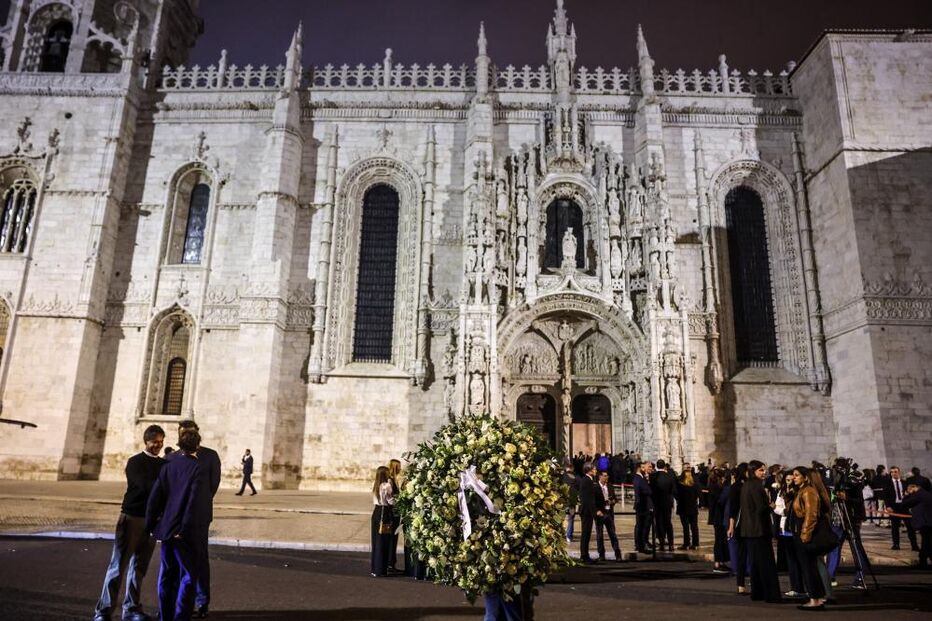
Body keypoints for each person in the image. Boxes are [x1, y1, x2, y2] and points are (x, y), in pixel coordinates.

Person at [94, 425, 166, 621]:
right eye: (155, 442)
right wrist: (161, 487)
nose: (158, 445)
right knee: (118, 565)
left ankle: (132, 608)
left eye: (161, 441)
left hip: (151, 521)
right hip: (132, 517)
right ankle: (103, 610)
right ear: (146, 441)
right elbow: (142, 485)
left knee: (139, 568)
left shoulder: (163, 464)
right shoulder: (135, 462)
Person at [146, 429, 210, 621]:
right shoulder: (198, 468)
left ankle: (165, 616)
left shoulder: (167, 465)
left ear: (179, 445)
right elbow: (193, 503)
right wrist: (182, 529)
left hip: (166, 530)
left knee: (167, 575)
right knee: (188, 576)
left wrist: (151, 525)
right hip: (184, 532)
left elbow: (155, 497)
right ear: (197, 446)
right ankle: (181, 617)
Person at [167, 421, 221, 619]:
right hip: (174, 519)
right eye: (184, 433)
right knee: (174, 562)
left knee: (199, 559)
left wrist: (199, 504)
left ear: (198, 434)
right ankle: (177, 603)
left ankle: (202, 601)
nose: (187, 436)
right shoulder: (170, 457)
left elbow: (212, 486)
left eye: (191, 433)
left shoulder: (210, 456)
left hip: (199, 518)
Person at [740, 460, 782, 603]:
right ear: (753, 471)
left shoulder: (746, 485)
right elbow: (760, 509)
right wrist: (771, 506)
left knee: (755, 563)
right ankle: (771, 595)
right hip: (759, 530)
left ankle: (757, 593)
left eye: (764, 470)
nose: (764, 473)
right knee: (766, 563)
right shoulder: (757, 487)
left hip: (749, 530)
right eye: (761, 470)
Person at [791, 466, 828, 610]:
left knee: (808, 567)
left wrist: (805, 536)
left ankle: (815, 599)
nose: (794, 477)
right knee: (809, 566)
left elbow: (811, 515)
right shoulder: (802, 490)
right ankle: (817, 597)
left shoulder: (808, 491)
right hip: (802, 530)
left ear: (805, 477)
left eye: (796, 475)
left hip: (805, 531)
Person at [884, 466, 919, 551]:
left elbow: (911, 494)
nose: (893, 473)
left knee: (910, 527)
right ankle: (896, 545)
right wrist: (888, 506)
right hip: (894, 507)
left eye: (895, 472)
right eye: (892, 472)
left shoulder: (905, 482)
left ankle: (914, 546)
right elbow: (886, 496)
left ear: (899, 472)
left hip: (904, 506)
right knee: (895, 527)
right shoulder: (887, 483)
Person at [370, 465, 395, 577]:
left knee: (376, 541)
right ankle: (381, 569)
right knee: (384, 542)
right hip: (384, 513)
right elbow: (391, 501)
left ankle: (375, 568)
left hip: (376, 513)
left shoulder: (376, 485)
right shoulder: (386, 486)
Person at [902, 482, 932, 569]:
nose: (910, 492)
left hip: (925, 523)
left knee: (926, 542)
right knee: (927, 542)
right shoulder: (925, 493)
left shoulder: (919, 495)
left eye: (909, 490)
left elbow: (906, 503)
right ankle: (923, 560)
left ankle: (923, 561)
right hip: (928, 522)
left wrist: (906, 495)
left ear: (913, 488)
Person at [594, 470, 623, 561]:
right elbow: (593, 501)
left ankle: (618, 554)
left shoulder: (610, 486)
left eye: (607, 476)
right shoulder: (595, 487)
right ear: (600, 477)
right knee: (600, 535)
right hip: (600, 513)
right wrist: (597, 510)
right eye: (605, 476)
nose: (606, 477)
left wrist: (613, 501)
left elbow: (614, 498)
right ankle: (601, 554)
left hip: (609, 512)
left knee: (612, 534)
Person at [708, 468, 730, 573]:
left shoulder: (713, 486)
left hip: (717, 516)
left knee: (721, 539)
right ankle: (717, 563)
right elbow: (720, 501)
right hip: (719, 516)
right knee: (719, 540)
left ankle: (720, 562)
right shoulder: (717, 487)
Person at [651, 459, 675, 551]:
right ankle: (671, 544)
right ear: (664, 466)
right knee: (668, 523)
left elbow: (651, 490)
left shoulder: (653, 476)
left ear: (657, 466)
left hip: (657, 503)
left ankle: (661, 544)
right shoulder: (669, 476)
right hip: (667, 503)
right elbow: (673, 490)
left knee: (659, 523)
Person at [578, 461, 599, 563]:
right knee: (586, 533)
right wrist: (594, 512)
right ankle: (584, 555)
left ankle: (585, 555)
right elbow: (588, 499)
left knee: (587, 533)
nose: (596, 471)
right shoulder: (587, 481)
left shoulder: (588, 480)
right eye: (594, 469)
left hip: (587, 511)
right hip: (586, 511)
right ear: (589, 470)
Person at [676, 465, 700, 550]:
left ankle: (686, 544)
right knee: (694, 526)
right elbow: (698, 494)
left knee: (685, 527)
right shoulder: (695, 484)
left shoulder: (680, 485)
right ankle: (695, 544)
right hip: (693, 507)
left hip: (683, 508)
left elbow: (676, 495)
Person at [633, 461, 654, 553]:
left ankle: (642, 544)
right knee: (641, 526)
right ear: (639, 468)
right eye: (643, 467)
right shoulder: (638, 478)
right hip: (642, 506)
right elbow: (646, 491)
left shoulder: (641, 478)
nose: (644, 469)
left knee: (643, 526)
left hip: (643, 505)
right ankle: (640, 545)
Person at [387, 459, 403, 572]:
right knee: (391, 539)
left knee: (394, 538)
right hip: (392, 513)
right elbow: (390, 498)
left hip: (396, 512)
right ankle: (390, 564)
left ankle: (392, 563)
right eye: (399, 467)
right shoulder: (390, 481)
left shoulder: (394, 480)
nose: (400, 469)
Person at [562, 460, 580, 544]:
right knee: (566, 518)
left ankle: (568, 535)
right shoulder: (575, 477)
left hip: (570, 501)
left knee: (570, 518)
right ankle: (567, 535)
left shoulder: (564, 476)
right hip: (564, 501)